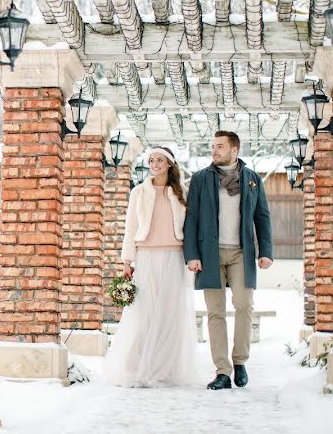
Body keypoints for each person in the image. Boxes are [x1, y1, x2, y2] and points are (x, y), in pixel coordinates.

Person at [182, 131, 273, 390]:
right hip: (209, 255)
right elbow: (191, 219)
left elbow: (262, 217)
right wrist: (192, 255)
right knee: (215, 312)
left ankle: (240, 361)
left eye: (220, 146)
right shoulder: (201, 179)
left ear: (235, 150)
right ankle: (222, 371)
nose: (215, 151)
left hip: (241, 254)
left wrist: (265, 251)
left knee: (245, 305)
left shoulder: (253, 179)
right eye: (213, 146)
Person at [104, 146, 198, 388]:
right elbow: (130, 228)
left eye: (160, 160)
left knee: (169, 315)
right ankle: (135, 367)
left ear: (169, 164)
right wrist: (127, 261)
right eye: (152, 160)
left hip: (175, 257)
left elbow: (191, 229)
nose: (155, 164)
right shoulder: (138, 192)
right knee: (144, 314)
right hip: (145, 256)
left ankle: (164, 369)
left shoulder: (181, 192)